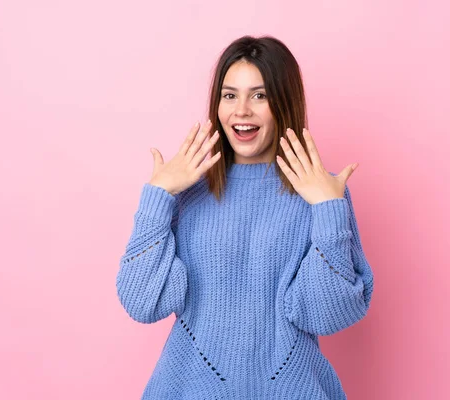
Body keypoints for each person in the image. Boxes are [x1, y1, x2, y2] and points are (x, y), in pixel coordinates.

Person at [116, 35, 374, 400]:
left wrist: (328, 210)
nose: (241, 111)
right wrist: (159, 196)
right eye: (229, 95)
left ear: (283, 102)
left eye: (260, 95)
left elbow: (326, 314)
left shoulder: (321, 193)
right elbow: (142, 303)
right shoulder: (187, 193)